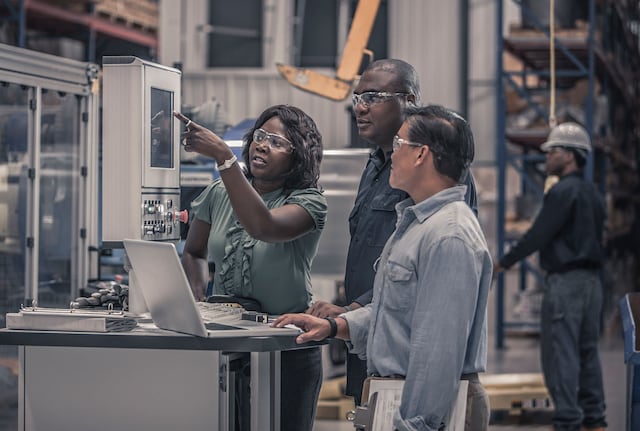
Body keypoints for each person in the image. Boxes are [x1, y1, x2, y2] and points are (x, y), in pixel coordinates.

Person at [275, 104, 492, 431]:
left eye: (399, 145)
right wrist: (336, 326)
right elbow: (398, 312)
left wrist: (415, 424)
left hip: (426, 414)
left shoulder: (449, 235)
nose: (391, 155)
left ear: (421, 154)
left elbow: (438, 350)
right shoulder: (417, 224)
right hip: (398, 398)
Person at [306, 58, 478, 406]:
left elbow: (437, 328)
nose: (360, 107)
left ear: (409, 101)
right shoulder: (375, 166)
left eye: (372, 96)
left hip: (407, 364)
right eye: (357, 98)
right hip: (372, 345)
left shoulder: (445, 206)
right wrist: (345, 316)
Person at [174, 105, 326, 431]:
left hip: (285, 347)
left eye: (277, 142)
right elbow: (194, 252)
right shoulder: (218, 192)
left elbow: (265, 226)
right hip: (226, 343)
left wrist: (223, 158)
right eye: (260, 136)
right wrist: (199, 302)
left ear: (298, 156)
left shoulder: (309, 202)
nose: (262, 145)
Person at [493, 122, 607, 431]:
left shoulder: (562, 191)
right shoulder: (593, 193)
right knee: (587, 351)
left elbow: (538, 235)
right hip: (593, 283)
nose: (547, 156)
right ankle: (595, 420)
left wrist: (502, 263)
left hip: (566, 283)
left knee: (560, 354)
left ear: (571, 155)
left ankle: (568, 420)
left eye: (553, 150)